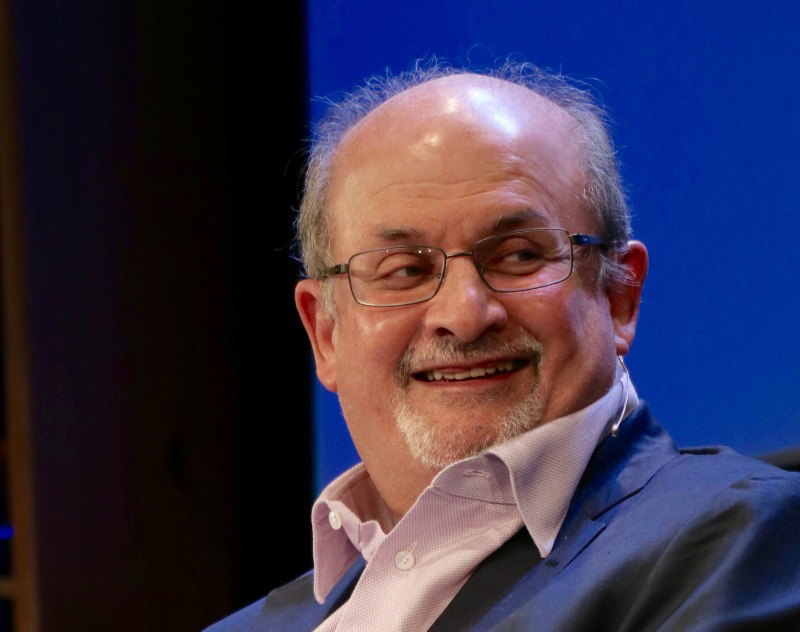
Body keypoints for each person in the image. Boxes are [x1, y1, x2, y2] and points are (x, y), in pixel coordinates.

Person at [206, 62, 800, 631]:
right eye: (404, 270)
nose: (464, 316)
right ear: (325, 335)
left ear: (619, 296)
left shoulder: (742, 542)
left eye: (518, 256)